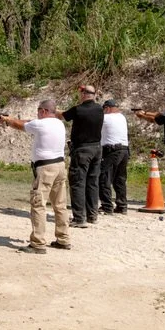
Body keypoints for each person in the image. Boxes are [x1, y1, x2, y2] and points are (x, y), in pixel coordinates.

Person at [0, 100, 70, 253]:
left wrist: (9, 121)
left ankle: (38, 243)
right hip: (60, 166)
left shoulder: (41, 124)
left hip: (45, 168)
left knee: (38, 204)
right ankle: (63, 239)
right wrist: (10, 119)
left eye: (38, 111)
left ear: (44, 111)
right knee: (60, 204)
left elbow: (22, 125)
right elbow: (31, 122)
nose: (37, 114)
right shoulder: (58, 123)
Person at [58, 85, 103, 228]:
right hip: (97, 148)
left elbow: (62, 116)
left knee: (78, 182)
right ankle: (92, 215)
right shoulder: (100, 109)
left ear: (83, 94)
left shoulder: (78, 110)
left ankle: (79, 218)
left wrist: (54, 110)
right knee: (92, 182)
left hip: (82, 150)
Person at [99, 99, 130, 215]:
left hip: (112, 151)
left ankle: (107, 206)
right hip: (124, 150)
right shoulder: (122, 117)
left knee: (104, 178)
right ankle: (122, 206)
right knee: (120, 179)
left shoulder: (105, 118)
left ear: (107, 108)